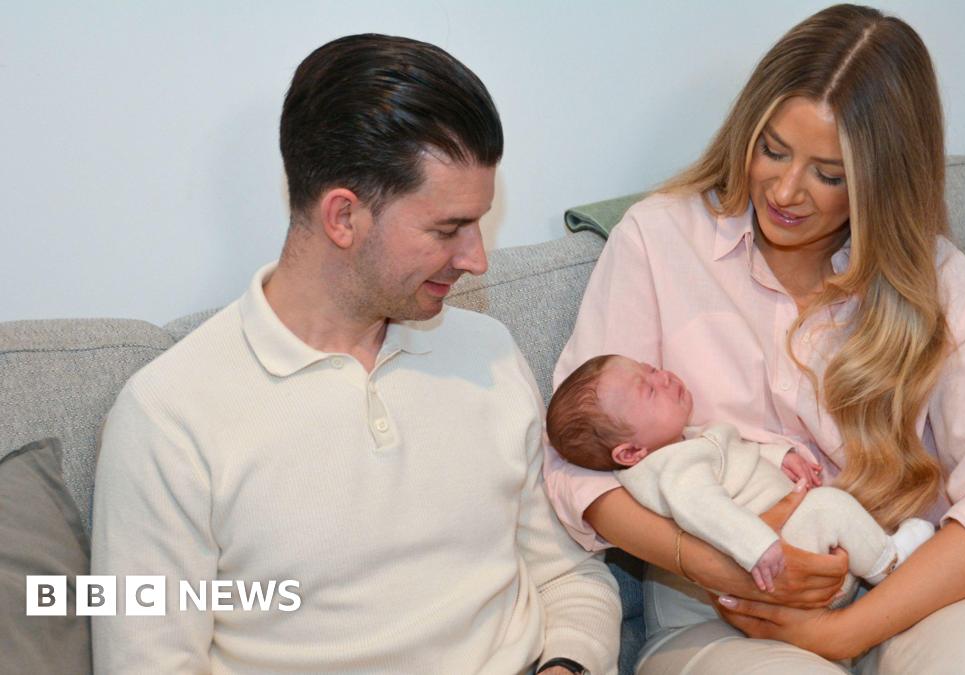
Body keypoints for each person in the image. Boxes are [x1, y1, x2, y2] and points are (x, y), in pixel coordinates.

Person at [543, 4, 965, 674]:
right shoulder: (658, 240)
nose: (786, 190)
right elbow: (574, 467)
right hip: (722, 618)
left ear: (884, 180)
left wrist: (849, 632)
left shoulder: (938, 282)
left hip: (912, 588)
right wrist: (722, 559)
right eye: (773, 149)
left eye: (830, 172)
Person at [91, 34, 619, 675]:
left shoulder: (487, 350)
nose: (477, 259)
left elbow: (570, 580)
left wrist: (570, 665)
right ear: (343, 216)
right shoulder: (170, 416)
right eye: (447, 229)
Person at [546, 354, 934, 598]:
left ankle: (872, 553)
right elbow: (702, 509)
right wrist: (757, 547)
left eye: (652, 369)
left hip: (798, 553)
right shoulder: (674, 469)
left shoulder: (683, 442)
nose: (663, 377)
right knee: (829, 505)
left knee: (828, 507)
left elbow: (733, 454)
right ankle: (889, 563)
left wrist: (777, 455)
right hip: (783, 565)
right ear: (630, 453)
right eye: (648, 390)